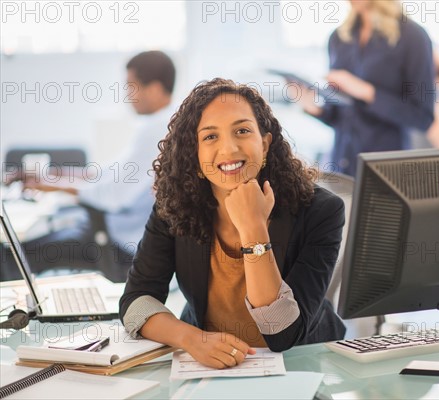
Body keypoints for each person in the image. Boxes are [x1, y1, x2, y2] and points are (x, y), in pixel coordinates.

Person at [119, 79, 347, 368]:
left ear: (264, 144)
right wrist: (192, 339)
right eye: (210, 137)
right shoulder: (175, 206)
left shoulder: (319, 211)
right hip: (210, 366)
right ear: (195, 153)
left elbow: (282, 334)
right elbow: (136, 301)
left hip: (304, 363)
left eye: (242, 131)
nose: (228, 149)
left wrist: (253, 229)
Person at [15, 50, 177, 282]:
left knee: (18, 256)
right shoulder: (159, 123)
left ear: (154, 88)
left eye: (131, 86)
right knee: (27, 247)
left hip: (120, 243)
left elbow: (112, 195)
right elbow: (106, 175)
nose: (127, 95)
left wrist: (55, 186)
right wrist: (53, 175)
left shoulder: (157, 130)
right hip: (110, 230)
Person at [299, 0, 435, 176]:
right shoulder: (338, 38)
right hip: (341, 166)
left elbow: (422, 117)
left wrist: (366, 92)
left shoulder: (413, 37)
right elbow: (339, 116)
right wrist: (313, 107)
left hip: (386, 172)